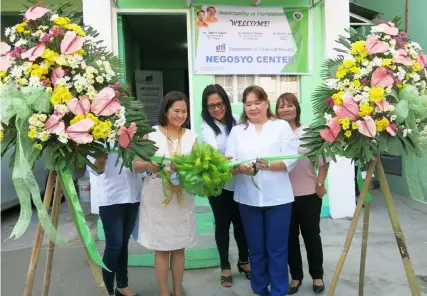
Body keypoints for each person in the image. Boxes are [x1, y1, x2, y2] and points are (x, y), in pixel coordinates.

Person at [225, 85, 298, 296]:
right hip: (248, 199)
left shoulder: (281, 127)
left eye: (257, 102)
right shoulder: (238, 131)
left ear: (266, 103)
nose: (253, 108)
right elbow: (229, 160)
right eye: (248, 104)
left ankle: (278, 290)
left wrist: (269, 166)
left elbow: (291, 158)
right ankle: (258, 289)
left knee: (277, 249)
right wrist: (240, 168)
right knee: (255, 248)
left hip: (279, 199)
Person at [133, 91, 197, 296]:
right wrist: (147, 165)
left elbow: (198, 166)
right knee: (161, 248)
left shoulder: (191, 137)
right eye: (176, 111)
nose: (181, 115)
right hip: (156, 196)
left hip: (182, 196)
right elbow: (136, 164)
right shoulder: (150, 134)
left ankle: (178, 291)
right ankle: (163, 292)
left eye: (184, 111)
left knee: (179, 247)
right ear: (166, 111)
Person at [276, 93, 329, 294]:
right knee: (289, 238)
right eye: (281, 106)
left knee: (311, 236)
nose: (285, 109)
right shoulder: (275, 134)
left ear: (297, 108)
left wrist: (321, 183)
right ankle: (296, 276)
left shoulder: (309, 132)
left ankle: (317, 276)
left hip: (308, 194)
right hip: (282, 195)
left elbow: (324, 160)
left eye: (289, 105)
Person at [200, 84, 250, 288]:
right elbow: (213, 154)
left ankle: (244, 261)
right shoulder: (207, 126)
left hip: (240, 183)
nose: (216, 109)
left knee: (241, 225)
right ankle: (225, 266)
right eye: (211, 106)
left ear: (226, 103)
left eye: (219, 104)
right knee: (222, 225)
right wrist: (227, 161)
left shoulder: (237, 120)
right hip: (218, 186)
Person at [89, 152, 142, 296]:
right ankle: (107, 290)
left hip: (132, 196)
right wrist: (100, 162)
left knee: (123, 245)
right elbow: (94, 170)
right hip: (111, 198)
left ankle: (122, 286)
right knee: (114, 246)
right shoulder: (98, 136)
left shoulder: (133, 135)